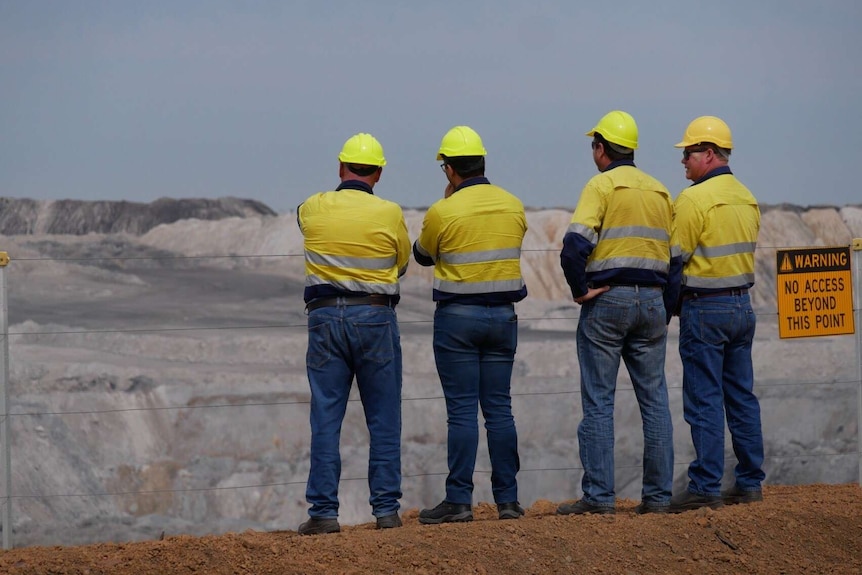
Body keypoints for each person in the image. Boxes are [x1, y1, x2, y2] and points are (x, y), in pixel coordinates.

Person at [558, 110, 680, 515]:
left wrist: (581, 291)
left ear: (601, 148)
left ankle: (599, 498)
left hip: (607, 300)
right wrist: (667, 306)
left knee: (598, 401)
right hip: (652, 302)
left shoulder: (602, 185)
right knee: (655, 400)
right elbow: (676, 260)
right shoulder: (661, 191)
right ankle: (659, 498)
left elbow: (574, 246)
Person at [296, 133, 410, 534]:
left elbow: (301, 219)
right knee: (383, 417)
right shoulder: (390, 212)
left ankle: (324, 513)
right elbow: (402, 263)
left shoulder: (313, 207)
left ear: (340, 168)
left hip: (324, 317)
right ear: (378, 173)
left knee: (326, 415)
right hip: (376, 317)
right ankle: (386, 511)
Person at [414, 126, 528, 524]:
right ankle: (509, 501)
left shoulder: (443, 210)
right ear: (482, 161)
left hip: (457, 320)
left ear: (449, 170)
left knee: (461, 412)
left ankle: (459, 501)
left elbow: (423, 255)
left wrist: (447, 204)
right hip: (502, 317)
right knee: (499, 409)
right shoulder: (513, 205)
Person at [668, 116, 765, 513]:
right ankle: (749, 482)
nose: (683, 162)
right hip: (742, 305)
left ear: (709, 154)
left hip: (705, 308)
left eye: (688, 153)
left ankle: (706, 486)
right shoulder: (746, 196)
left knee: (704, 398)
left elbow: (674, 262)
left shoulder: (692, 200)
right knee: (741, 397)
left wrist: (670, 308)